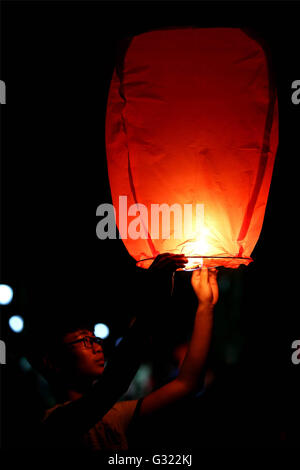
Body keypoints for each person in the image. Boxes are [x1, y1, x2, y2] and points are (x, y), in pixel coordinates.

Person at [38, 254, 218, 449]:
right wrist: (153, 300)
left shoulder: (113, 414)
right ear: (53, 363)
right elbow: (112, 384)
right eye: (85, 340)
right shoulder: (54, 423)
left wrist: (205, 306)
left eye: (95, 339)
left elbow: (187, 384)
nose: (97, 346)